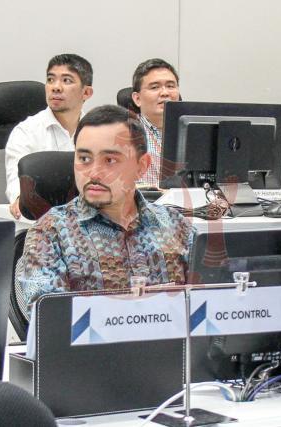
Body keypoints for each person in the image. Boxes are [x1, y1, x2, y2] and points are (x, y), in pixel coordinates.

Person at [14, 105, 195, 311]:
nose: (94, 173)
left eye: (110, 160)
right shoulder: (50, 232)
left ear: (142, 166)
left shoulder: (176, 225)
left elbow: (212, 304)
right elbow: (49, 317)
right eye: (84, 159)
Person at [4, 53, 94, 219]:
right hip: (40, 222)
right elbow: (16, 179)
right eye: (51, 80)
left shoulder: (97, 131)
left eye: (66, 80)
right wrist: (19, 199)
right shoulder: (26, 131)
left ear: (86, 92)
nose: (56, 87)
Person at [130, 58, 181, 188]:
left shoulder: (192, 134)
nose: (165, 93)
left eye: (170, 86)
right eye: (155, 87)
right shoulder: (126, 133)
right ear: (137, 99)